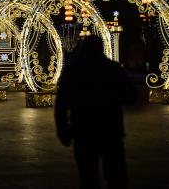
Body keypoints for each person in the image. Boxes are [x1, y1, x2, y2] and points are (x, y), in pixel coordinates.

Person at [55, 35, 136, 189]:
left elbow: (62, 103)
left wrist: (63, 129)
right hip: (110, 129)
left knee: (88, 176)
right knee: (116, 175)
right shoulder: (113, 68)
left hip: (83, 129)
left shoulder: (73, 70)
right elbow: (130, 96)